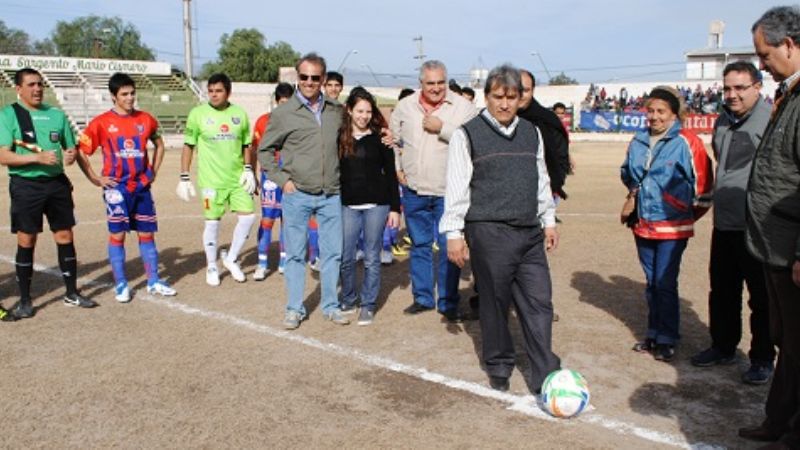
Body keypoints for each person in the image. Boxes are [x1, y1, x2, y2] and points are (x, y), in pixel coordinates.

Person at [440, 64, 560, 393]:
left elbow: (541, 180)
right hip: (488, 231)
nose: (504, 104)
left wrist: (548, 219)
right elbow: (457, 188)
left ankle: (545, 371)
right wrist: (454, 234)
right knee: (494, 302)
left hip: (529, 231)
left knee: (540, 302)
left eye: (511, 97)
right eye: (497, 97)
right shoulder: (467, 135)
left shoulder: (531, 132)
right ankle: (500, 364)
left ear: (520, 98)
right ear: (486, 96)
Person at [690, 62, 775, 385]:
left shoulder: (770, 120)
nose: (732, 95)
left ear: (757, 86)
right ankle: (723, 346)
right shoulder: (723, 120)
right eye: (727, 88)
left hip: (757, 225)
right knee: (722, 290)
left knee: (761, 297)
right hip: (724, 222)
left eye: (740, 88)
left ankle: (763, 357)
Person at [738, 7, 800, 447]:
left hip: (790, 251)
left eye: (765, 53)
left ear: (790, 45)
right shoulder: (789, 94)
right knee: (788, 341)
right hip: (774, 247)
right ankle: (779, 420)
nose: (761, 62)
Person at [621, 85, 713, 362]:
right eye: (650, 111)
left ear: (674, 114)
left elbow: (704, 188)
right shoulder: (637, 141)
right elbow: (627, 172)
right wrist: (634, 195)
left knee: (665, 282)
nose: (655, 117)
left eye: (661, 111)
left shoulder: (688, 141)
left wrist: (682, 214)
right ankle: (653, 332)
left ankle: (667, 337)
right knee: (651, 282)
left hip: (673, 227)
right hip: (643, 224)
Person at [258, 53, 350, 329]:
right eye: (304, 77)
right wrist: (282, 180)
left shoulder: (336, 111)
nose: (309, 82)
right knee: (296, 254)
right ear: (297, 78)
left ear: (323, 79)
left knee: (333, 252)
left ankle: (331, 305)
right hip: (296, 194)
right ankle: (294, 309)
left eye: (315, 77)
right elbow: (264, 152)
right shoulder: (283, 114)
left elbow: (349, 140)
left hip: (331, 193)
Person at [0, 67, 98, 319]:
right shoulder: (9, 115)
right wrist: (36, 157)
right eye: (31, 85)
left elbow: (72, 149)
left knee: (65, 235)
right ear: (18, 89)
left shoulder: (56, 115)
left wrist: (71, 156)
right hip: (26, 186)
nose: (37, 89)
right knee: (26, 240)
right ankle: (24, 300)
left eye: (40, 84)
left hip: (56, 184)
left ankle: (71, 293)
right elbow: (3, 154)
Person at [76, 72, 177, 302]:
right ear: (114, 96)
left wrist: (153, 171)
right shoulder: (101, 122)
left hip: (141, 186)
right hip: (116, 189)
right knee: (118, 235)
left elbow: (159, 144)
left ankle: (153, 281)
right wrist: (95, 178)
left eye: (132, 93)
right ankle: (121, 284)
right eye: (124, 94)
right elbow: (81, 150)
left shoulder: (146, 119)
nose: (130, 98)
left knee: (146, 233)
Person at [390, 60, 477, 321]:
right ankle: (423, 298)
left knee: (448, 246)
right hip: (414, 189)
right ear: (421, 83)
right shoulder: (405, 107)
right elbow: (394, 140)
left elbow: (473, 141)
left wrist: (444, 129)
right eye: (431, 83)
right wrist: (398, 167)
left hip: (447, 191)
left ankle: (448, 303)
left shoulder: (464, 108)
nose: (437, 88)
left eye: (441, 82)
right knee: (419, 245)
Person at [178, 73, 256, 286]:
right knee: (212, 222)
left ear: (228, 92)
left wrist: (249, 169)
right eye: (210, 91)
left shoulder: (239, 114)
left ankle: (230, 259)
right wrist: (184, 176)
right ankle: (212, 265)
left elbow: (246, 145)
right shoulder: (198, 114)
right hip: (211, 181)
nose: (213, 94)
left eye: (218, 90)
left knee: (248, 218)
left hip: (237, 179)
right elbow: (188, 145)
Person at [338, 87, 401, 325]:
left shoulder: (381, 140)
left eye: (368, 111)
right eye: (359, 111)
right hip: (347, 206)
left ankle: (368, 303)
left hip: (377, 205)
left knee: (372, 256)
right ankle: (348, 297)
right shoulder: (339, 138)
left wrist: (395, 208)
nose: (363, 116)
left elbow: (391, 176)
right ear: (349, 110)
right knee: (346, 256)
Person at [250, 82, 294, 281]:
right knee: (267, 220)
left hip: (291, 176)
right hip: (270, 176)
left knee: (287, 220)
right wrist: (250, 172)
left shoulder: (297, 121)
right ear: (276, 102)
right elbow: (254, 149)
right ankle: (262, 263)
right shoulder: (262, 122)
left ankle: (284, 259)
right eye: (282, 103)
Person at [518, 70, 571, 206]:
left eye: (525, 90)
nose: (520, 95)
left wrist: (555, 183)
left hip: (542, 194)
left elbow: (561, 156)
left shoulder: (547, 120)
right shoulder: (500, 120)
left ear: (533, 91)